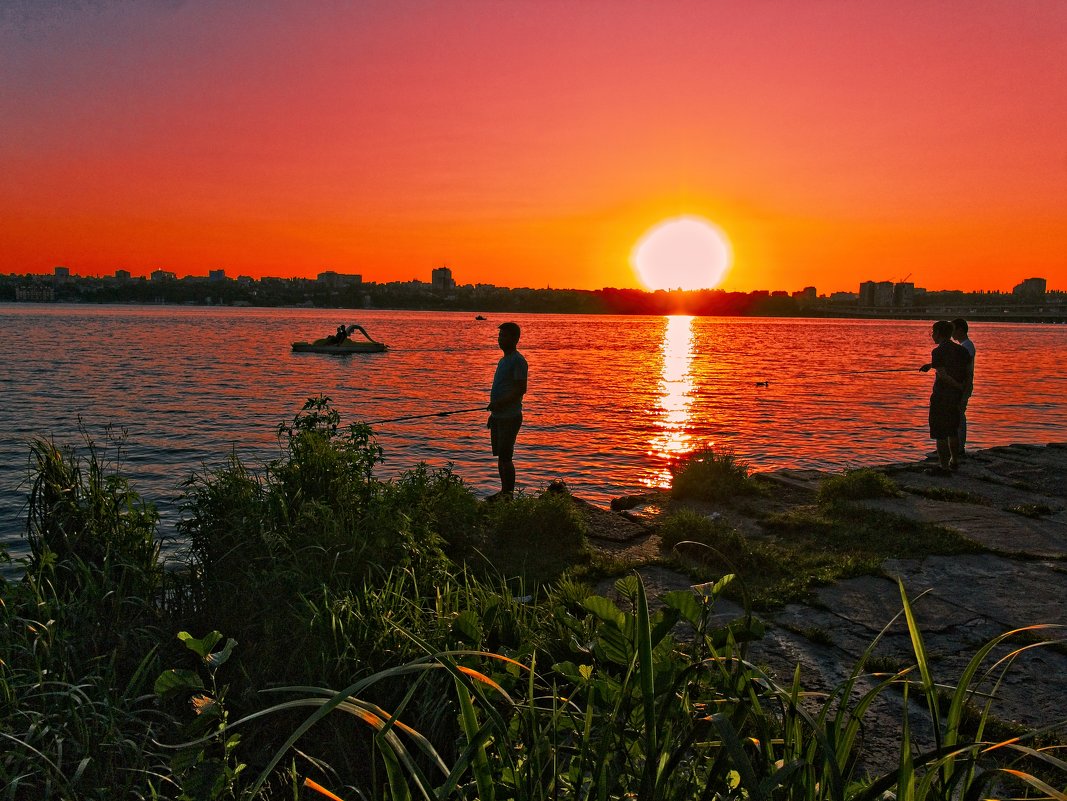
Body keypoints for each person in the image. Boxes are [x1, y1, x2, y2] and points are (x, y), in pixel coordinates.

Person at [919, 320, 972, 474]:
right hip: (955, 396)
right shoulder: (962, 351)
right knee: (953, 430)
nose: (932, 336)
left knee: (940, 432)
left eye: (933, 333)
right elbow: (966, 371)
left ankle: (943, 466)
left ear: (939, 334)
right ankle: (954, 461)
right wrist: (962, 389)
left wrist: (957, 385)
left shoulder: (938, 351)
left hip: (942, 396)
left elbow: (943, 375)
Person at [486, 322, 528, 500]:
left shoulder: (518, 361)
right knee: (501, 457)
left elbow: (520, 389)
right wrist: (493, 413)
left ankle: (508, 495)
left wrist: (501, 404)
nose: (500, 339)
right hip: (498, 416)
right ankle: (504, 492)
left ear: (515, 339)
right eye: (499, 336)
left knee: (506, 456)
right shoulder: (503, 360)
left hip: (510, 416)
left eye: (504, 336)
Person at [951, 318, 976, 457]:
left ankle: (959, 448)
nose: (952, 333)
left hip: (963, 385)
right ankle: (957, 446)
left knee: (959, 415)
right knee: (958, 415)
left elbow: (963, 367)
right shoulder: (965, 345)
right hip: (962, 384)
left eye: (953, 330)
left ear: (960, 330)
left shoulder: (967, 346)